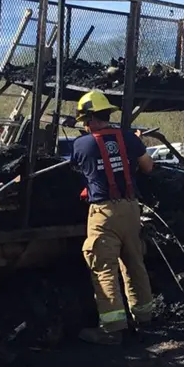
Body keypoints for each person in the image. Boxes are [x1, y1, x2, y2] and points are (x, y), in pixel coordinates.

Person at [70, 90, 157, 345]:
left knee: (103, 268)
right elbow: (148, 167)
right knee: (134, 263)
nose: (84, 125)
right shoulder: (128, 138)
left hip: (103, 213)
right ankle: (144, 317)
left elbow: (78, 168)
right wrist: (133, 145)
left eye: (85, 120)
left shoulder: (82, 144)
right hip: (131, 209)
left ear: (90, 119)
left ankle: (112, 329)